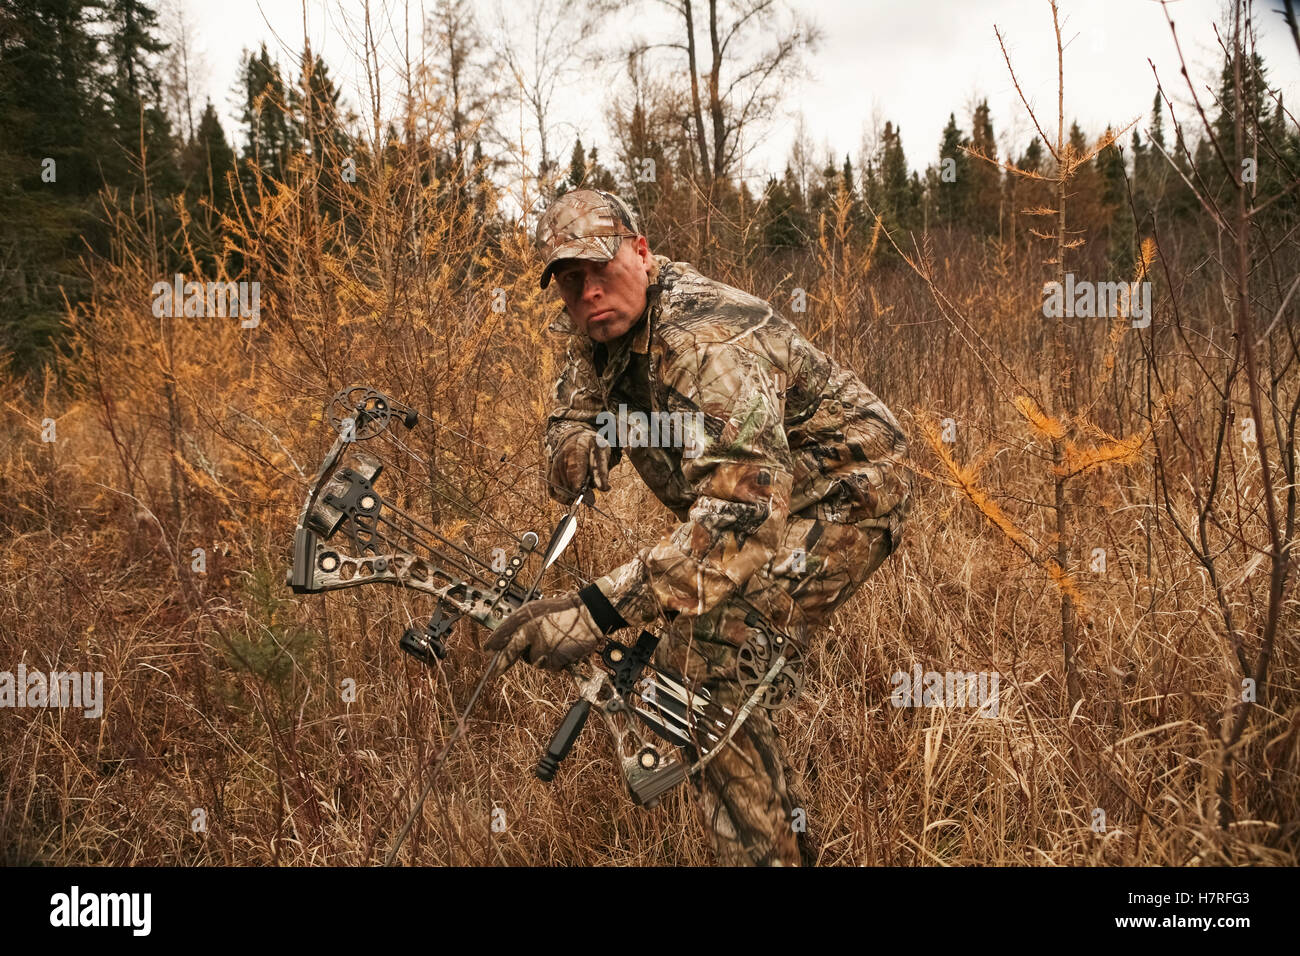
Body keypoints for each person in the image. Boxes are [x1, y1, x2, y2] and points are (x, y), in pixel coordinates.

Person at [486, 187, 911, 866]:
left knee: (698, 672)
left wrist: (594, 612)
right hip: (755, 501)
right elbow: (565, 433)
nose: (590, 292)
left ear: (643, 253)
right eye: (572, 281)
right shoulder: (596, 329)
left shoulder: (703, 344)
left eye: (602, 269)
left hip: (841, 496)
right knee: (715, 678)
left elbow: (740, 523)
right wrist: (581, 445)